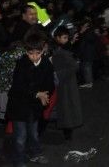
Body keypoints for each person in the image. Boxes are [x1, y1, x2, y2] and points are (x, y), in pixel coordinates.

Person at [6, 30, 54, 167]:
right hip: (19, 107)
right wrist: (37, 94)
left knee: (34, 133)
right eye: (30, 53)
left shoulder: (46, 64)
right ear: (26, 51)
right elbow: (18, 87)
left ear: (43, 50)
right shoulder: (22, 64)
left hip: (34, 107)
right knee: (20, 137)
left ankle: (35, 153)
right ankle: (19, 160)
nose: (34, 57)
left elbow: (50, 83)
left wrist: (45, 93)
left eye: (37, 53)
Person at [50, 27, 83, 141]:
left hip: (65, 82)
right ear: (57, 38)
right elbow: (73, 66)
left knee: (66, 107)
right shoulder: (60, 51)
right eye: (64, 37)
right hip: (64, 82)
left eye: (66, 37)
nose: (66, 40)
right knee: (65, 107)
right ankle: (67, 130)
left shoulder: (61, 49)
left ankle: (67, 129)